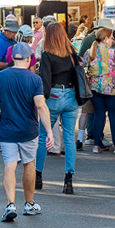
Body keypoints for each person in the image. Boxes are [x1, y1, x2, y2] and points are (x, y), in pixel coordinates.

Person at [0, 41, 53, 222]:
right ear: (29, 58)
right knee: (29, 164)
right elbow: (41, 106)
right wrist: (50, 132)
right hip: (29, 130)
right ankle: (29, 204)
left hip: (7, 130)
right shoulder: (35, 79)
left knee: (9, 164)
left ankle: (10, 205)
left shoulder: (0, 77)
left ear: (13, 57)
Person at [36, 21, 81, 195]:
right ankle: (68, 178)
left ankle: (38, 175)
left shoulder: (47, 54)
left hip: (54, 95)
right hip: (71, 95)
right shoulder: (72, 53)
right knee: (69, 138)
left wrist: (41, 100)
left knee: (42, 136)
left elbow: (45, 80)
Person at [86, 19, 115, 153]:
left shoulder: (90, 51)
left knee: (99, 115)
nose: (112, 40)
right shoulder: (114, 52)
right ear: (105, 38)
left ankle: (96, 146)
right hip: (114, 88)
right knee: (114, 116)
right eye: (110, 37)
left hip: (96, 88)